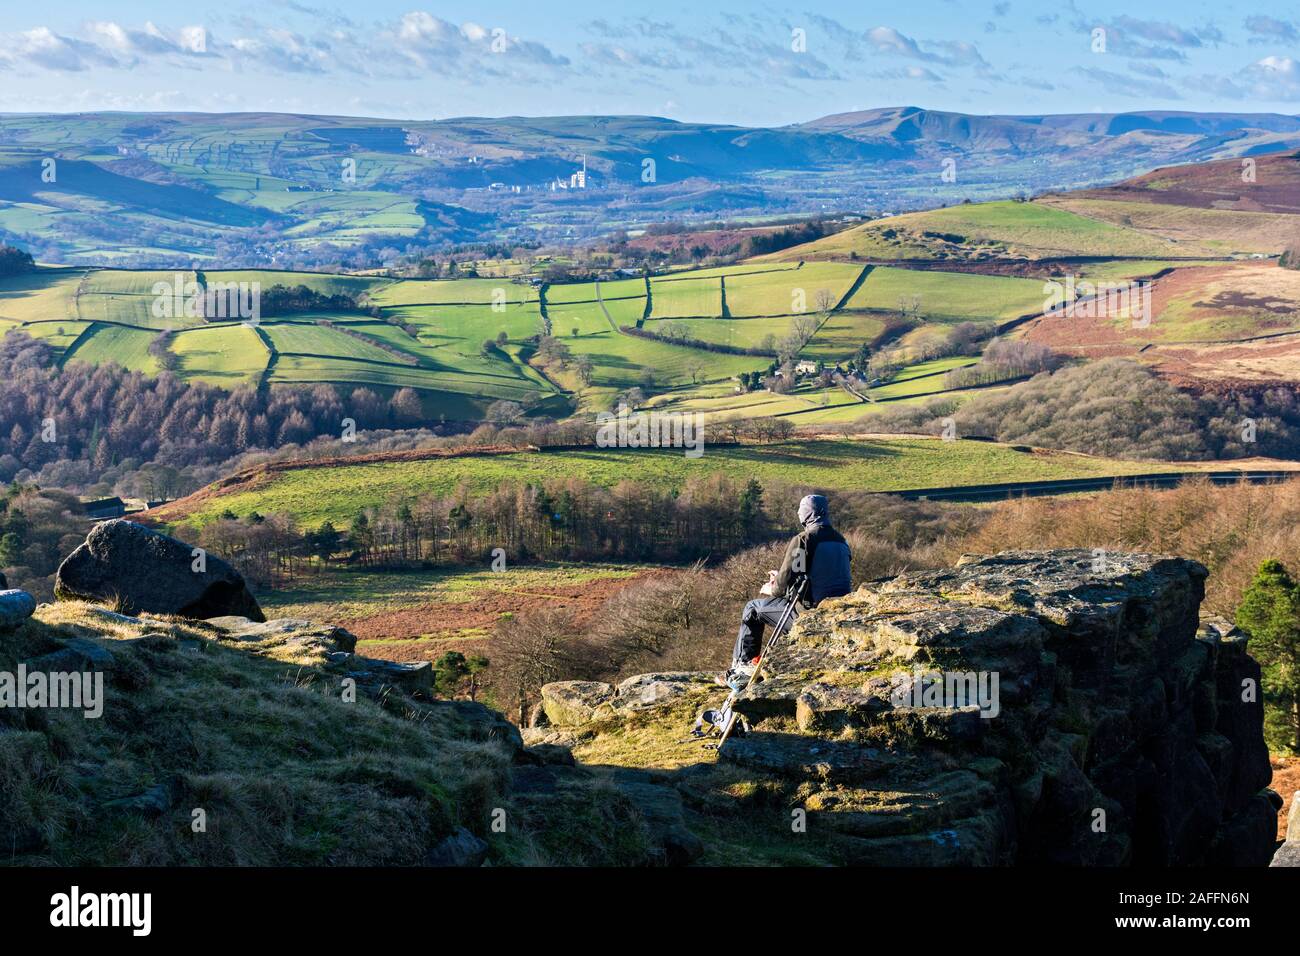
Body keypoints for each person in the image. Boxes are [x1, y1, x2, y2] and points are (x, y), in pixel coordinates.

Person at [723, 494, 852, 690]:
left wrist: (772, 586)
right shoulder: (841, 541)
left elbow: (787, 582)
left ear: (807, 514)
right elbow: (814, 573)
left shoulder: (804, 540)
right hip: (837, 612)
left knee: (752, 609)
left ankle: (742, 667)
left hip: (807, 614)